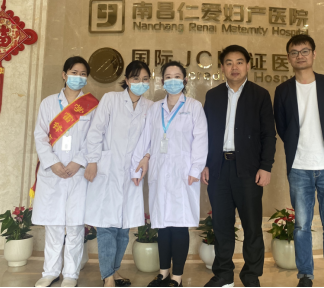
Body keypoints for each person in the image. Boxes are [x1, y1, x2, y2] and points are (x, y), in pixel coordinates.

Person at [274, 35, 324, 288]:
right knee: (301, 226)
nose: (300, 56)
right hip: (299, 168)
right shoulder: (283, 90)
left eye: (305, 51)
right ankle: (305, 275)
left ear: (314, 54)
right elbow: (282, 127)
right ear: (289, 58)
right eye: (294, 52)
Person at [202, 45, 277, 288]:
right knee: (222, 225)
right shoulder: (213, 96)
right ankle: (224, 275)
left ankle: (251, 275)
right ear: (222, 67)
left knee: (252, 226)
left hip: (249, 170)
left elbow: (269, 135)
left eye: (239, 62)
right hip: (218, 169)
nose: (234, 67)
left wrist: (266, 166)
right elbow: (204, 135)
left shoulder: (260, 95)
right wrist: (205, 164)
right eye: (229, 63)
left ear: (248, 65)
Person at [131, 61, 208, 288]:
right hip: (160, 173)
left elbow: (201, 140)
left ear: (185, 80)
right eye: (168, 76)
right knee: (162, 225)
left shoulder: (194, 107)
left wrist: (195, 169)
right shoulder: (155, 109)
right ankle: (163, 273)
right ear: (162, 81)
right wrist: (139, 163)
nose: (172, 80)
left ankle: (177, 277)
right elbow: (146, 139)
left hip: (184, 174)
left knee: (180, 225)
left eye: (177, 76)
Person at [84, 61, 154, 288]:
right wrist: (92, 161)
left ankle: (113, 272)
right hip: (108, 169)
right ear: (127, 80)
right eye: (136, 78)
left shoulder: (151, 107)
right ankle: (108, 277)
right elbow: (96, 131)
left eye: (145, 79)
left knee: (124, 227)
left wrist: (146, 157)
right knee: (107, 226)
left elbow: (151, 139)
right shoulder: (111, 99)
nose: (140, 83)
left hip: (132, 172)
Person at [32, 56, 99, 288]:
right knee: (53, 225)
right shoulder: (48, 103)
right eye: (74, 73)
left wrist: (78, 162)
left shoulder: (92, 105)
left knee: (75, 225)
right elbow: (40, 135)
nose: (78, 77)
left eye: (83, 74)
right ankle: (50, 271)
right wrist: (52, 163)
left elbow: (94, 138)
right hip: (53, 172)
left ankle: (71, 274)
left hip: (77, 173)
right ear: (64, 74)